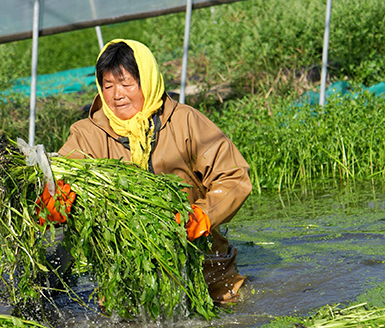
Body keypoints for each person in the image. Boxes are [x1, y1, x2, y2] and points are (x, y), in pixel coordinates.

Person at [43, 39, 251, 304]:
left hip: (202, 266)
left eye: (126, 84)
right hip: (125, 277)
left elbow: (233, 175)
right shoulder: (87, 135)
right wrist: (52, 199)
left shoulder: (186, 122)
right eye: (108, 86)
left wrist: (202, 216)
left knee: (230, 312)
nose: (117, 95)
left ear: (148, 81)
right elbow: (60, 176)